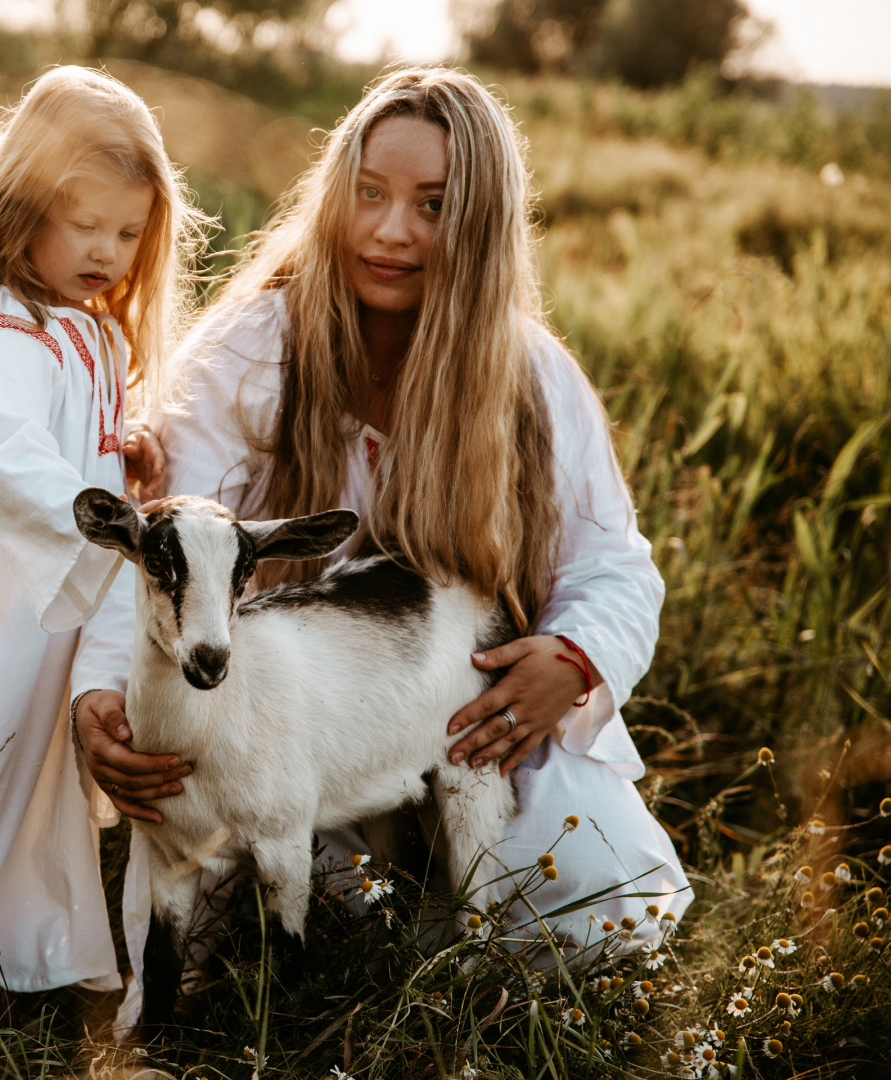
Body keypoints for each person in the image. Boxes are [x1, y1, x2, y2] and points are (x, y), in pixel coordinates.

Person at [74, 67, 691, 1024]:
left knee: (602, 903)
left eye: (432, 205)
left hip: (464, 724)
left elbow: (613, 564)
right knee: (218, 921)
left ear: (478, 225)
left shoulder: (529, 376)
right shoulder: (258, 346)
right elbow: (162, 544)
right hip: (279, 728)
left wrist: (572, 662)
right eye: (370, 194)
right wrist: (103, 694)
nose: (390, 230)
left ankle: (446, 971)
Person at [0, 65, 199, 997]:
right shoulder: (6, 329)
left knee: (38, 775)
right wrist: (103, 520)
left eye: (128, 232)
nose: (107, 249)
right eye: (84, 223)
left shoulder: (90, 331)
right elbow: (9, 455)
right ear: (25, 210)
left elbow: (81, 435)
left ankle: (31, 947)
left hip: (54, 596)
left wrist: (120, 453)